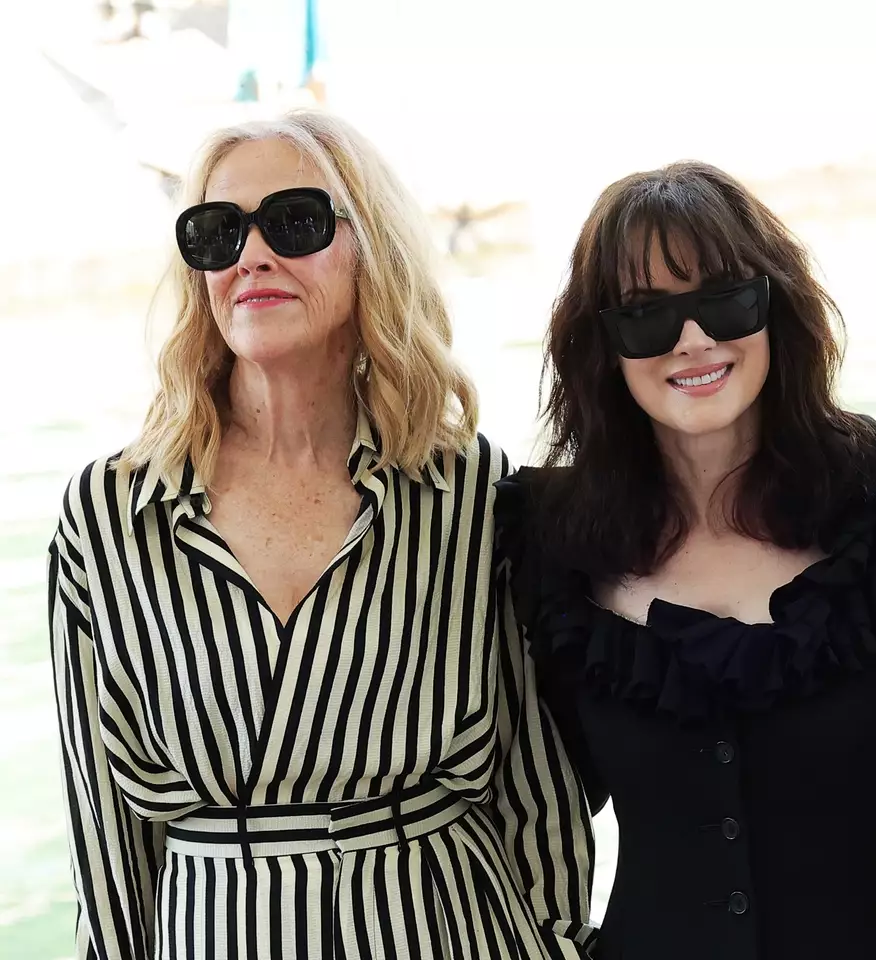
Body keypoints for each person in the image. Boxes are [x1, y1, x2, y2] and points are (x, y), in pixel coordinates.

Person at [46, 111, 594, 960]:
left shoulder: (464, 491)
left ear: (369, 247)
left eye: (294, 221)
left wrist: (554, 944)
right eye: (217, 232)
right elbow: (105, 839)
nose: (251, 256)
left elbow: (535, 790)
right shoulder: (112, 516)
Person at [493, 161, 876, 960]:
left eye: (725, 299)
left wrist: (859, 842)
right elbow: (529, 805)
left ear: (776, 308)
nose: (694, 339)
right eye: (646, 314)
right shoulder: (550, 543)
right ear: (602, 343)